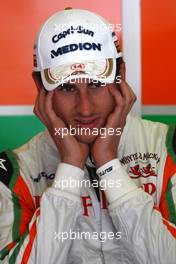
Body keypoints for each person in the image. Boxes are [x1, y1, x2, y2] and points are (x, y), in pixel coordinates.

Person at [0, 8, 176, 264]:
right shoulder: (11, 172)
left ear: (121, 76)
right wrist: (70, 168)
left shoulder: (169, 148)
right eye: (67, 87)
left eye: (95, 84)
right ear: (40, 88)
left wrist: (108, 164)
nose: (85, 108)